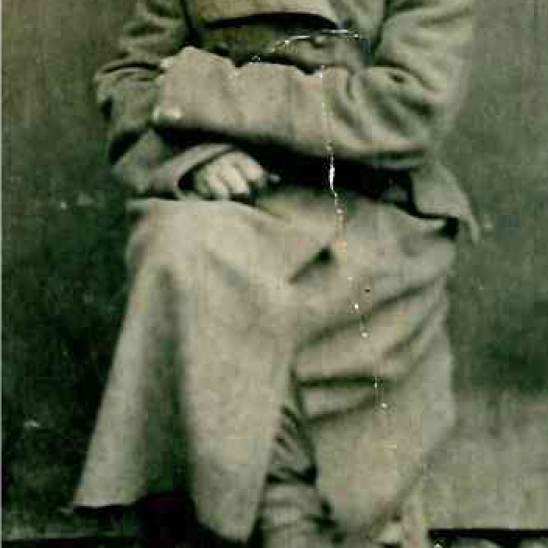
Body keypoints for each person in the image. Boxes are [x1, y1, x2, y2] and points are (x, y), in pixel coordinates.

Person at [74, 0, 478, 546]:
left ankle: (308, 522)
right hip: (236, 206)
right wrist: (194, 162)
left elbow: (408, 110)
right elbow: (132, 79)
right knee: (184, 248)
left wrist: (207, 91)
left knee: (317, 455)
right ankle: (278, 523)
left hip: (368, 214)